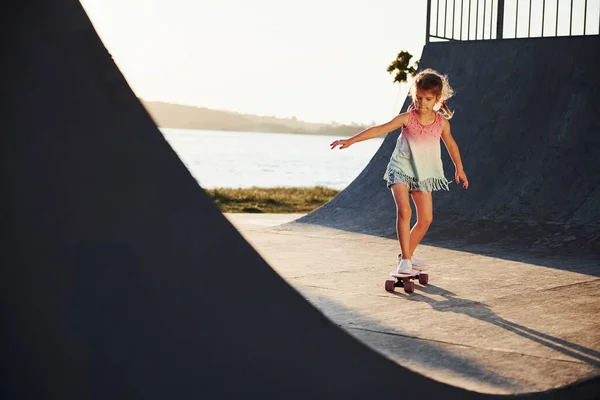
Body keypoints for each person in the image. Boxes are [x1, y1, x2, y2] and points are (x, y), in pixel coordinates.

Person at [330, 68, 468, 274]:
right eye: (418, 98)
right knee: (405, 211)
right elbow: (379, 129)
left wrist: (460, 168)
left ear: (437, 99)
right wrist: (351, 141)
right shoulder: (407, 118)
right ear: (414, 96)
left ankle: (408, 255)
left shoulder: (441, 123)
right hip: (400, 169)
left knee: (426, 219)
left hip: (422, 174)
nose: (422, 103)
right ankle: (406, 258)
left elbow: (451, 145)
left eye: (428, 99)